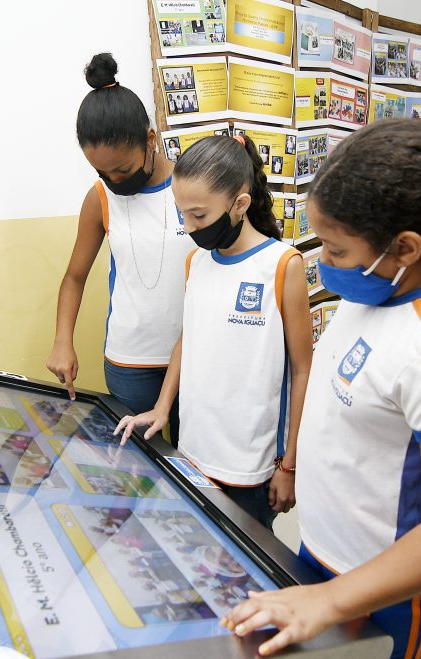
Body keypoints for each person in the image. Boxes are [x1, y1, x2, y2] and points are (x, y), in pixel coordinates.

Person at [220, 119, 421, 657]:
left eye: (336, 250)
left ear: (405, 248)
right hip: (325, 552)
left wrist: (328, 601)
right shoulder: (372, 295)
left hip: (386, 586)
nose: (324, 264)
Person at [115, 134, 312, 530]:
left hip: (250, 466)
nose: (189, 228)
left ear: (240, 204)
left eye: (199, 216)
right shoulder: (196, 262)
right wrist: (162, 407)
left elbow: (303, 369)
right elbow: (188, 338)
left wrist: (290, 463)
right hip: (194, 452)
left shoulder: (282, 265)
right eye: (182, 215)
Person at [46, 53, 192, 445]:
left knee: (194, 465)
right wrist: (62, 340)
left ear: (150, 140)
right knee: (138, 468)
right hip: (130, 364)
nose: (114, 180)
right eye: (102, 172)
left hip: (195, 356)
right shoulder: (100, 199)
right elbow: (74, 277)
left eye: (123, 170)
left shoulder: (193, 187)